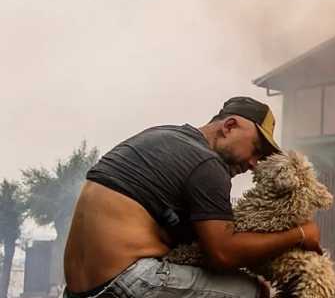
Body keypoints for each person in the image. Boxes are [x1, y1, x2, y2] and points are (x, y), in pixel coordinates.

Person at [63, 96, 321, 298]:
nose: (254, 163)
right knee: (252, 291)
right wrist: (300, 234)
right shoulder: (206, 164)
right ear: (229, 126)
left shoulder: (163, 136)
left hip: (78, 289)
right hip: (124, 280)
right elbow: (223, 254)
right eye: (256, 149)